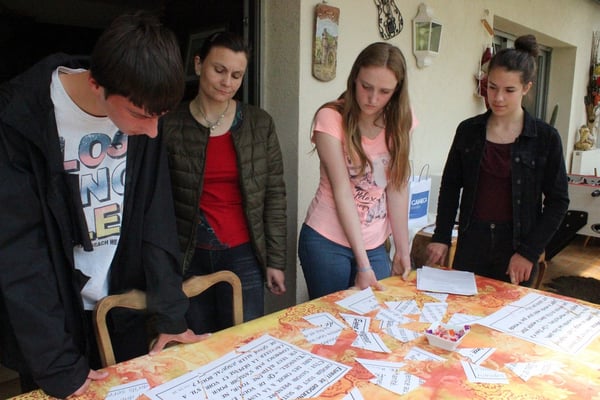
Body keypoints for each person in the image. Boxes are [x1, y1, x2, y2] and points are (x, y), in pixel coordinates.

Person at [0, 11, 207, 398]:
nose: (153, 131)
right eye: (141, 116)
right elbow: (20, 252)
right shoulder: (18, 119)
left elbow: (156, 216)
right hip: (52, 325)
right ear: (96, 84)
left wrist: (171, 315)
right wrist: (58, 364)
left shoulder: (144, 110)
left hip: (121, 308)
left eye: (160, 118)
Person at [162, 31, 287, 333]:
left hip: (244, 254)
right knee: (198, 344)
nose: (226, 82)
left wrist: (275, 260)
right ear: (198, 65)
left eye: (236, 75)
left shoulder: (259, 124)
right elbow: (159, 200)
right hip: (189, 255)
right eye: (219, 70)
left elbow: (274, 195)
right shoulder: (170, 124)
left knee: (244, 342)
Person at [426, 34, 569, 286]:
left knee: (509, 309)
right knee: (461, 307)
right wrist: (441, 236)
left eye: (509, 90)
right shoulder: (468, 131)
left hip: (517, 247)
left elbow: (558, 202)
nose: (498, 97)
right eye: (492, 87)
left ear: (526, 88)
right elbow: (450, 187)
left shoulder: (546, 138)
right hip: (472, 242)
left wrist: (529, 252)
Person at [298, 42, 415, 300]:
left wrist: (402, 250)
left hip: (375, 243)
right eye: (366, 87)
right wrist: (363, 265)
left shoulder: (401, 120)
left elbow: (397, 186)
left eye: (384, 91)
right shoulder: (330, 117)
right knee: (333, 319)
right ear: (354, 79)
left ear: (397, 90)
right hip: (326, 240)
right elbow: (342, 191)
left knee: (376, 313)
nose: (373, 99)